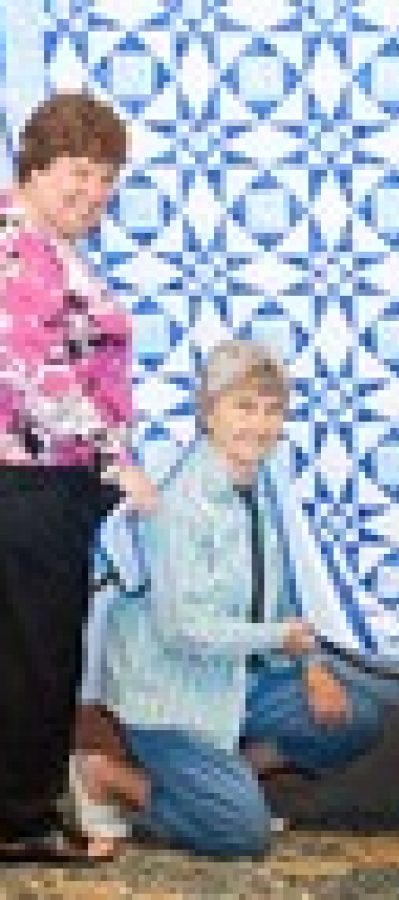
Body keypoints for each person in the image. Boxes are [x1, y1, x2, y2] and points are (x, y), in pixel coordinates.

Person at [70, 340, 383, 860]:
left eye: (271, 410)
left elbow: (280, 594)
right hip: (174, 696)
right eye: (243, 407)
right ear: (208, 411)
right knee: (240, 834)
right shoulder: (180, 501)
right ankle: (106, 776)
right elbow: (182, 629)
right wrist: (278, 636)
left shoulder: (260, 487)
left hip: (239, 681)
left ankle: (229, 775)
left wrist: (312, 665)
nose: (258, 425)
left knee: (355, 717)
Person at [0, 92, 156, 863]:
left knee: (27, 651)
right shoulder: (15, 244)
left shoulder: (42, 245)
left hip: (41, 483)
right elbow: (35, 372)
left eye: (106, 182)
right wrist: (116, 461)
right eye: (80, 172)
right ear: (34, 165)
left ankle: (20, 811)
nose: (92, 193)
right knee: (38, 654)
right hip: (31, 483)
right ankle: (21, 820)